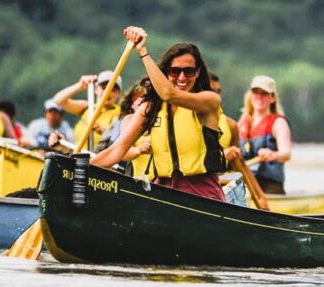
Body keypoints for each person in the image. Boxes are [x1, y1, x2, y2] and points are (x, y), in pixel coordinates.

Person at [77, 26, 226, 201]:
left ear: (198, 72)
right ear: (166, 72)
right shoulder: (150, 108)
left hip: (202, 192)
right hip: (162, 190)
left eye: (189, 71)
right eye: (175, 71)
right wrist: (77, 168)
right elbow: (117, 150)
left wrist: (142, 51)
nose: (182, 77)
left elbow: (169, 94)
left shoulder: (209, 100)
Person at [237, 75, 292, 194]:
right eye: (256, 93)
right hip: (246, 184)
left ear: (272, 98)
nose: (259, 97)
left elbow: (286, 154)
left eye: (264, 94)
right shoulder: (242, 122)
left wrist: (273, 155)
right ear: (251, 96)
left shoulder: (279, 122)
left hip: (269, 185)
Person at [51, 70, 123, 152]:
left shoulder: (119, 113)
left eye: (113, 90)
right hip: (77, 155)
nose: (108, 92)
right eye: (104, 88)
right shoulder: (87, 107)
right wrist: (79, 86)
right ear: (96, 89)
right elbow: (58, 100)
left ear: (118, 94)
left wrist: (103, 131)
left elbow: (117, 138)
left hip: (98, 159)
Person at [211, 72, 242, 162]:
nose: (218, 97)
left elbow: (238, 164)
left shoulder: (231, 125)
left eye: (219, 92)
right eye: (211, 91)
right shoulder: (184, 123)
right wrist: (221, 155)